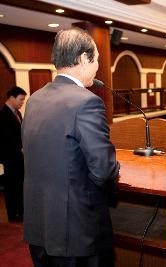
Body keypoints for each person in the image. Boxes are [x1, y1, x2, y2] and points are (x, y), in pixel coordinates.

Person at [22, 28, 120, 267]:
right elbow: (104, 170)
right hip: (77, 233)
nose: (98, 66)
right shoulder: (86, 102)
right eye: (97, 59)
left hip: (40, 224)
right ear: (84, 59)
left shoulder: (34, 99)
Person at [0, 86, 27, 222]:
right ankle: (13, 215)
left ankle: (20, 212)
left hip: (19, 157)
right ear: (11, 98)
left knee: (19, 185)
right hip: (10, 157)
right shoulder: (2, 113)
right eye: (21, 99)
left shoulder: (18, 113)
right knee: (11, 186)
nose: (22, 102)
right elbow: (5, 137)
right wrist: (19, 148)